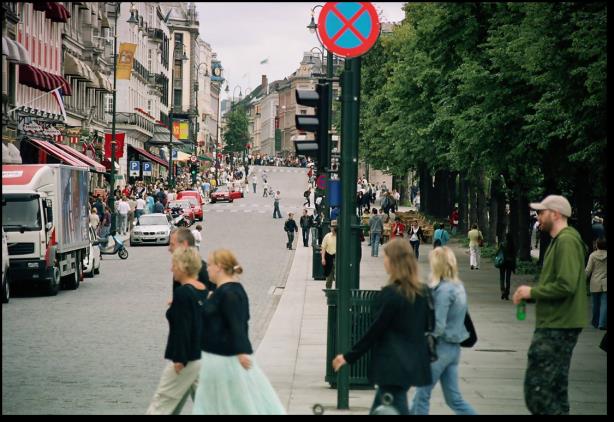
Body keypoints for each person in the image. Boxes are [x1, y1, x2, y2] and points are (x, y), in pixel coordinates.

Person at [332, 239, 432, 415]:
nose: (384, 261)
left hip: (392, 365)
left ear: (394, 261)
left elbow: (374, 331)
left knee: (394, 407)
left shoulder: (391, 294)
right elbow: (428, 325)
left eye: (385, 257)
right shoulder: (422, 292)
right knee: (382, 409)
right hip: (411, 363)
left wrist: (348, 357)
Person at [512, 195, 588, 415]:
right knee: (555, 391)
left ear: (556, 214)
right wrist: (532, 295)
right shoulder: (562, 241)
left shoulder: (566, 241)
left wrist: (533, 292)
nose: (538, 217)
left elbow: (566, 285)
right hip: (557, 322)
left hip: (558, 325)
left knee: (539, 392)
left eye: (541, 212)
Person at [192, 249, 286, 415]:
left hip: (226, 360)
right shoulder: (223, 291)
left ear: (219, 267)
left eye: (210, 265)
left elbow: (237, 324)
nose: (207, 269)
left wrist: (242, 352)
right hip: (216, 359)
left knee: (234, 406)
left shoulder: (230, 293)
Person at [409, 246, 477, 415]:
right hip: (454, 348)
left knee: (421, 395)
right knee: (454, 400)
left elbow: (438, 324)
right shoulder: (458, 287)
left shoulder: (444, 290)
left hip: (440, 347)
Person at [146, 247, 208, 415]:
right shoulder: (202, 290)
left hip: (185, 358)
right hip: (200, 355)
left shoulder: (182, 294)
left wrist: (179, 359)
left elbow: (183, 328)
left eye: (174, 264)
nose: (171, 268)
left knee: (161, 403)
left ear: (183, 266)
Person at [169, 228, 215, 292]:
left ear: (184, 244)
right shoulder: (179, 268)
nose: (169, 248)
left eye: (172, 244)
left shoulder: (202, 271)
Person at [586, 237, 607, 330]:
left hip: (595, 282)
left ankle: (595, 321)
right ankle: (602, 323)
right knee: (604, 303)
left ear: (597, 245)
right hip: (606, 282)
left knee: (595, 304)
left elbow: (588, 270)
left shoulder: (593, 256)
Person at [496, 232, 517, 300]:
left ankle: (503, 291)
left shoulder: (502, 244)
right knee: (508, 279)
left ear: (506, 237)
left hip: (502, 262)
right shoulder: (512, 245)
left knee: (502, 278)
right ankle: (507, 293)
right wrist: (514, 266)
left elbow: (498, 253)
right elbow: (514, 256)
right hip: (510, 263)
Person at [321, 220, 337, 289]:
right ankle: (328, 290)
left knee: (337, 276)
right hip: (329, 258)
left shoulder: (340, 236)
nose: (332, 228)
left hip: (337, 258)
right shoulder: (327, 236)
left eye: (334, 227)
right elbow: (323, 247)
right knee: (329, 278)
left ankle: (337, 291)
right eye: (332, 227)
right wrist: (323, 258)